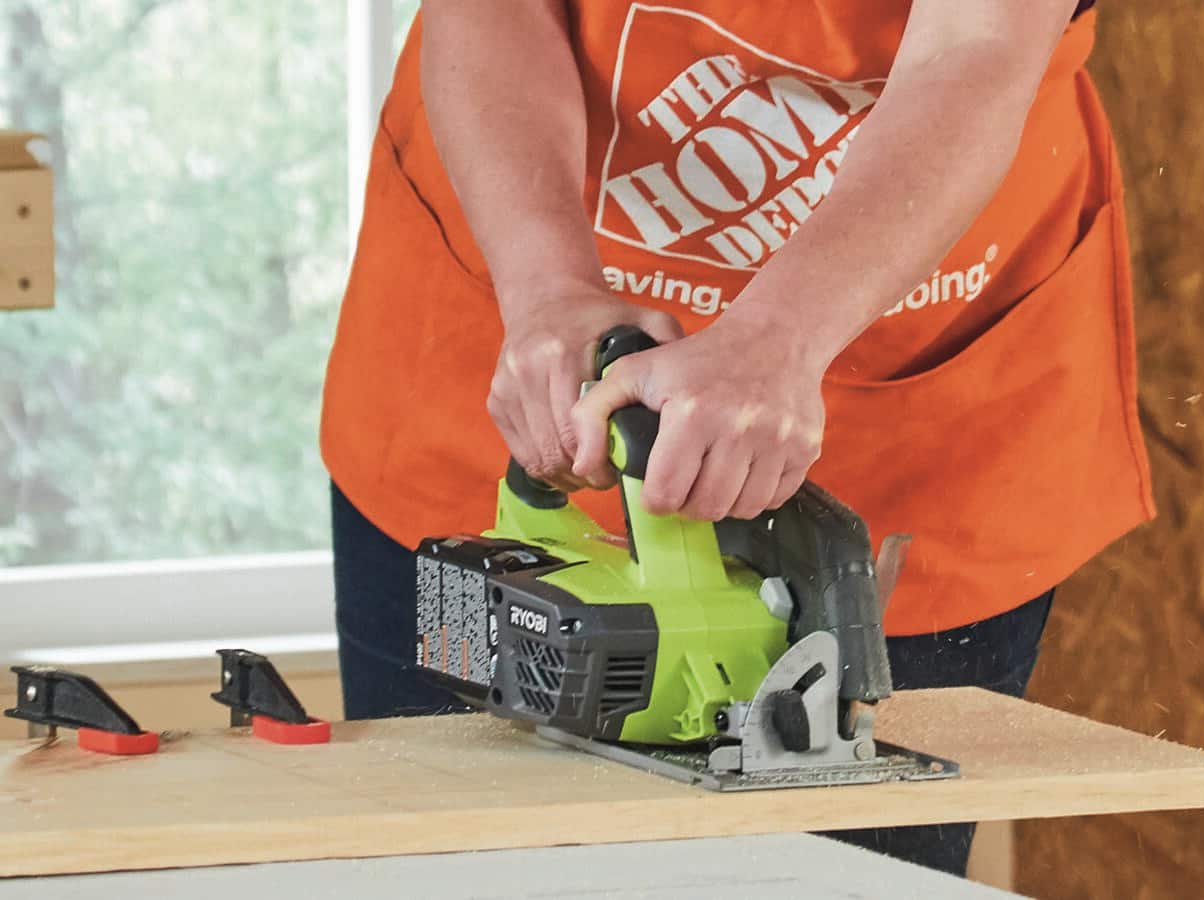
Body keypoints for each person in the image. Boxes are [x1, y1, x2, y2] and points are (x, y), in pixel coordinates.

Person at [320, 0, 1153, 877]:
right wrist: (545, 287)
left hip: (903, 376)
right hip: (518, 307)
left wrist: (783, 335)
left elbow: (976, 46)